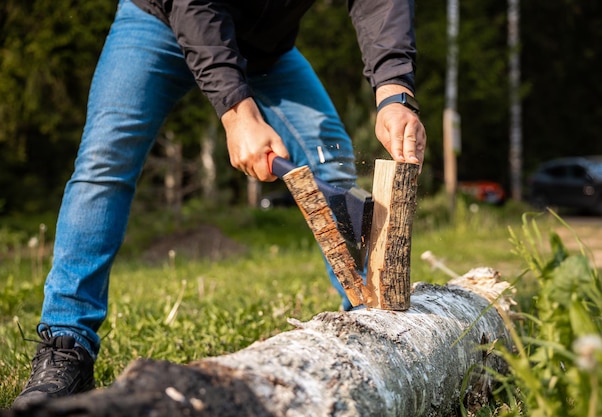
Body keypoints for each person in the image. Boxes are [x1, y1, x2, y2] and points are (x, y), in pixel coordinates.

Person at [12, 0, 426, 409]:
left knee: (331, 164)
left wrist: (394, 91)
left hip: (266, 51)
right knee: (105, 163)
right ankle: (66, 347)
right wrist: (237, 111)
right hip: (161, 21)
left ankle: (367, 320)